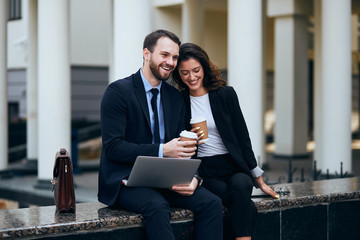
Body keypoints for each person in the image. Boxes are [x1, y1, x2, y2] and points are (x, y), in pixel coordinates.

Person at [98, 30, 223, 240]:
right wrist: (163, 150)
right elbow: (114, 147)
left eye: (174, 57)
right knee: (156, 205)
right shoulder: (118, 92)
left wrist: (194, 178)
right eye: (165, 55)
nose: (171, 62)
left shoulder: (175, 97)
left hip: (168, 178)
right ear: (147, 53)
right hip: (127, 179)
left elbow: (185, 145)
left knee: (212, 203)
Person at [172, 42, 279, 240]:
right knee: (238, 200)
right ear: (178, 74)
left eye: (196, 70)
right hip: (205, 168)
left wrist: (258, 177)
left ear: (204, 67)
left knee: (241, 186)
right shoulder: (179, 100)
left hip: (232, 163)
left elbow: (242, 136)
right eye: (185, 73)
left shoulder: (225, 94)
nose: (192, 77)